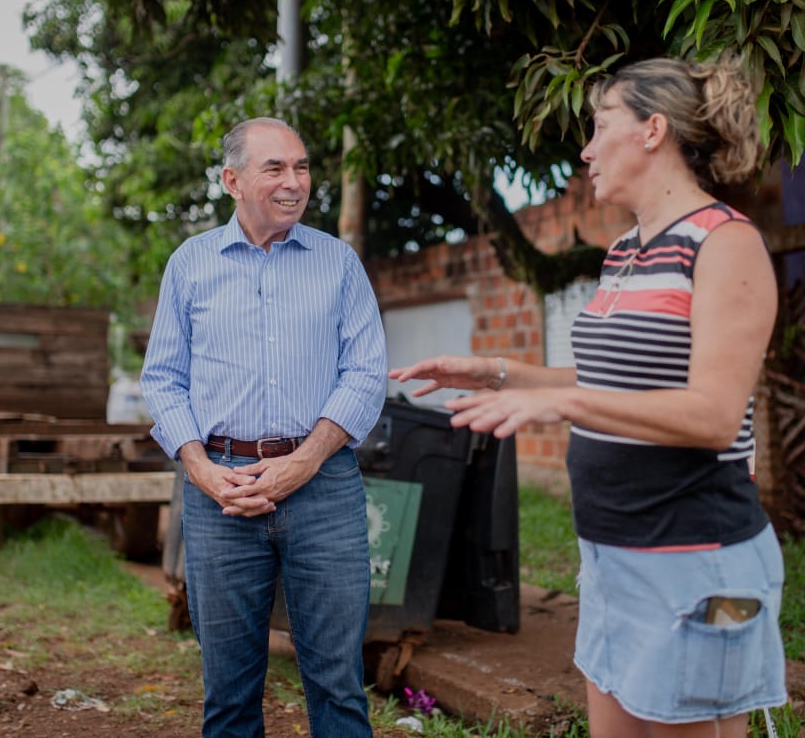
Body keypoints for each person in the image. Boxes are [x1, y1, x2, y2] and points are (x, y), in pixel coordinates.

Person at [390, 57, 785, 737]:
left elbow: (715, 415)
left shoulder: (726, 245)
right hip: (611, 557)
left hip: (695, 563)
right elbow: (607, 382)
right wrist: (498, 371)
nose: (586, 148)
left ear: (652, 130)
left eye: (601, 126)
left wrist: (561, 406)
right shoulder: (627, 250)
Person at [141, 116, 387, 738]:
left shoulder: (338, 263)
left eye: (301, 166)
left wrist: (302, 462)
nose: (294, 181)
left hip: (323, 487)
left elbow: (364, 374)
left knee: (338, 686)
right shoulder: (190, 264)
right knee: (228, 694)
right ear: (232, 180)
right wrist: (202, 471)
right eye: (274, 167)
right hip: (221, 494)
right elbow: (163, 379)